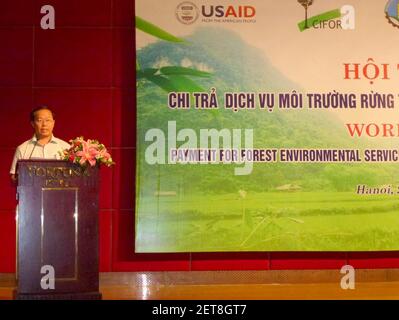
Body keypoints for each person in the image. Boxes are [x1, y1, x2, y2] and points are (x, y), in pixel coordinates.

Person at [10, 106, 70, 183]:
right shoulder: (22, 148)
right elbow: (14, 178)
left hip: (60, 193)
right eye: (39, 120)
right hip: (31, 194)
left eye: (48, 120)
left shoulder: (65, 147)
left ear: (53, 123)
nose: (44, 124)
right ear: (32, 124)